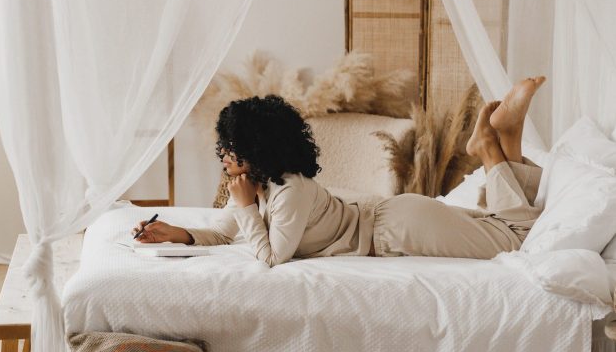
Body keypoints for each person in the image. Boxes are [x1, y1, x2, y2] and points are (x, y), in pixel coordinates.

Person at [132, 77, 546, 266]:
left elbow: (272, 257)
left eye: (230, 147)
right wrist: (177, 234)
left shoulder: (289, 189)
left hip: (399, 229)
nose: (221, 154)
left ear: (258, 151)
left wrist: (243, 207)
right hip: (397, 219)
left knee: (516, 240)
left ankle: (490, 149)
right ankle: (508, 141)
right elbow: (225, 233)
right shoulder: (257, 185)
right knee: (501, 228)